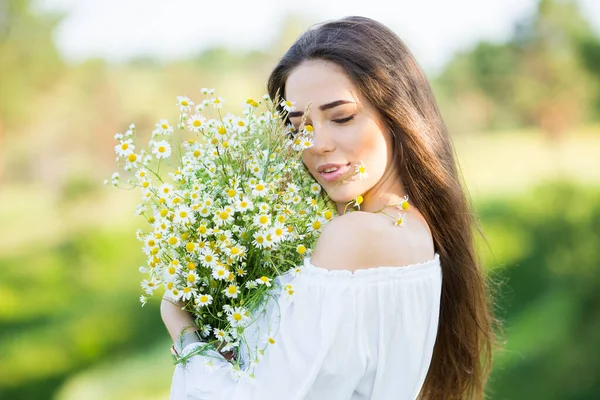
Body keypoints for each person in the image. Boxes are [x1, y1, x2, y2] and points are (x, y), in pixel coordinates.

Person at [161, 16, 498, 400]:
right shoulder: (413, 228)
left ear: (396, 115)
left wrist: (182, 326)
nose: (316, 144)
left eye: (341, 117)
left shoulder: (355, 235)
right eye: (298, 126)